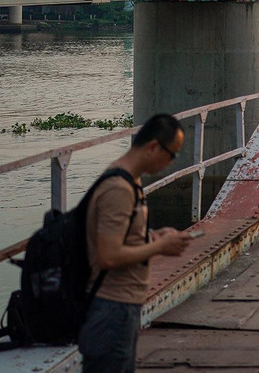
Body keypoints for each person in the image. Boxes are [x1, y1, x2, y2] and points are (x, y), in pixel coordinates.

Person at [80, 113, 193, 373]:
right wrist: (160, 248)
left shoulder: (130, 181)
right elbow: (109, 255)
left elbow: (120, 239)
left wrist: (152, 237)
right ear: (153, 146)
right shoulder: (119, 189)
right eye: (172, 154)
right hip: (111, 308)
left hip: (121, 306)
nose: (172, 162)